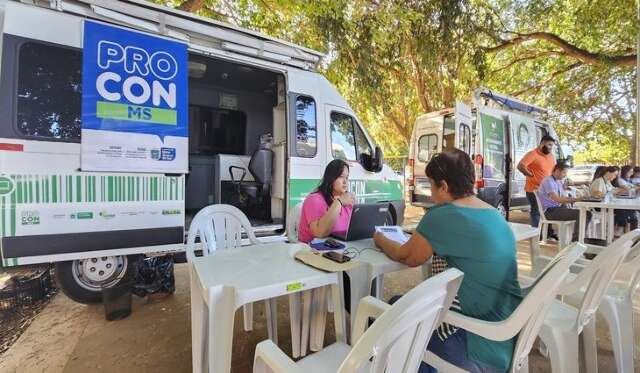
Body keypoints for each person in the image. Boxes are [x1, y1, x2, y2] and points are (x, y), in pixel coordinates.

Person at [374, 149, 522, 372]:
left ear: (443, 186)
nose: (431, 194)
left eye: (431, 185)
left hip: (473, 345)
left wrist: (380, 239)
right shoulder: (494, 215)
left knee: (392, 319)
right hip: (506, 337)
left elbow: (407, 256)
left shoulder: (442, 215)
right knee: (397, 301)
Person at [298, 159, 355, 243]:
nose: (345, 181)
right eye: (341, 177)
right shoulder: (314, 199)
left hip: (340, 246)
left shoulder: (347, 200)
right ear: (331, 178)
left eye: (347, 177)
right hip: (312, 249)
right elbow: (319, 233)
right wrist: (339, 202)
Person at [538, 163, 592, 242]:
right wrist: (576, 200)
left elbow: (563, 197)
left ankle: (578, 240)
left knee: (587, 213)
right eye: (564, 173)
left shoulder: (558, 182)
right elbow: (557, 199)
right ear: (557, 171)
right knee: (584, 214)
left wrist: (575, 197)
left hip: (558, 209)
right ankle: (576, 241)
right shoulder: (548, 181)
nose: (565, 175)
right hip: (550, 211)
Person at [517, 135, 557, 228]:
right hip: (534, 189)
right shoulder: (533, 154)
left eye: (552, 145)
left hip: (547, 190)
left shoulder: (551, 156)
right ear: (542, 143)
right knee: (536, 211)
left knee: (548, 211)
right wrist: (531, 175)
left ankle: (547, 233)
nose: (551, 148)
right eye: (549, 145)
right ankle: (536, 233)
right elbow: (520, 166)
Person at [590, 166, 638, 231]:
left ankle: (632, 233)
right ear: (608, 172)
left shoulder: (607, 181)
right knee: (623, 211)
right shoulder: (599, 181)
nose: (615, 177)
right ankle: (618, 230)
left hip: (606, 204)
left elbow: (614, 191)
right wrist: (610, 194)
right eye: (615, 175)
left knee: (631, 212)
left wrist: (625, 189)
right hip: (599, 206)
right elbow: (597, 194)